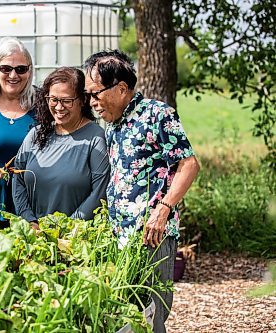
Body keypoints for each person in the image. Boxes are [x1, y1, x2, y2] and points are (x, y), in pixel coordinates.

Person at [84, 49, 200, 333]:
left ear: (121, 88)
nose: (92, 102)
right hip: (120, 235)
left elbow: (189, 164)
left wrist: (163, 209)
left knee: (151, 312)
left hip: (152, 234)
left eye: (96, 93)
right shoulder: (113, 125)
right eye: (88, 95)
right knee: (127, 313)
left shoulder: (157, 114)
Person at [13, 67, 110, 229]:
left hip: (75, 240)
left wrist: (65, 229)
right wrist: (29, 220)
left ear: (82, 100)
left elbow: (99, 193)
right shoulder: (36, 134)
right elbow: (18, 177)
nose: (58, 107)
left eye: (66, 101)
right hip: (33, 236)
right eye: (53, 99)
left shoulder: (96, 138)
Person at [0, 37, 36, 228]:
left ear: (29, 70)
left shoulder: (42, 105)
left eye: (21, 69)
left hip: (32, 212)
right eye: (5, 68)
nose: (13, 75)